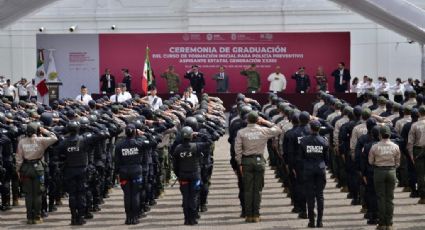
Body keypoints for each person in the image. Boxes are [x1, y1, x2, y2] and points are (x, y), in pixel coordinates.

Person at [235, 111, 282, 223]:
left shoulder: (241, 132)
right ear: (257, 120)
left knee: (247, 189)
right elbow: (278, 129)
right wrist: (265, 122)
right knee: (258, 189)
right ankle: (256, 215)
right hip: (259, 161)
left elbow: (237, 150)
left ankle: (248, 215)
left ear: (247, 120)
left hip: (246, 161)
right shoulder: (263, 130)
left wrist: (239, 163)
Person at [15, 123, 57, 224]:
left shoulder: (21, 141)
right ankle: (37, 217)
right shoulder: (41, 140)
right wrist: (44, 130)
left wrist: (18, 170)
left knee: (28, 195)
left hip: (25, 169)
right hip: (38, 168)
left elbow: (19, 158)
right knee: (38, 194)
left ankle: (29, 217)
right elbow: (54, 138)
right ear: (37, 131)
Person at [172, 126, 212, 225]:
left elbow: (175, 165)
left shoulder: (178, 148)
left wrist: (178, 174)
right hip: (195, 175)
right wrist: (199, 134)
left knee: (185, 197)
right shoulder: (196, 146)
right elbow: (209, 142)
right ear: (191, 136)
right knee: (194, 197)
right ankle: (193, 219)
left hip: (183, 175)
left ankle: (186, 219)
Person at [114, 124, 150, 225]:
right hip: (136, 171)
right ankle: (134, 217)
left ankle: (128, 218)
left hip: (124, 172)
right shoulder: (139, 143)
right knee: (135, 195)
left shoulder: (119, 145)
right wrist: (145, 133)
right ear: (135, 132)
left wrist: (117, 173)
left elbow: (116, 161)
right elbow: (154, 142)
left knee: (127, 195)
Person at [368, 125, 400, 230]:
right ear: (389, 134)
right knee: (390, 198)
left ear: (380, 135)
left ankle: (382, 223)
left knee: (381, 197)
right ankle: (389, 223)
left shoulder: (375, 146)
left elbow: (370, 161)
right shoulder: (395, 146)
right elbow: (398, 162)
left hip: (379, 172)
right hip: (391, 171)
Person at [300, 120, 328, 228]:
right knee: (320, 195)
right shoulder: (324, 141)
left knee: (310, 196)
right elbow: (327, 159)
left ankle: (311, 222)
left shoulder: (303, 141)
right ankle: (319, 222)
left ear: (310, 128)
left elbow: (301, 157)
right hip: (320, 169)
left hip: (308, 170)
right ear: (319, 128)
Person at [407, 106, 425, 204]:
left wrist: (411, 155)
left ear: (418, 113)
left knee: (421, 175)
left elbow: (410, 142)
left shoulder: (414, 125)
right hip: (419, 150)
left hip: (419, 151)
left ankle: (423, 197)